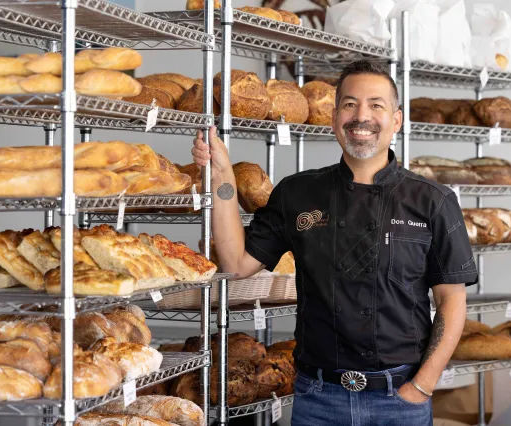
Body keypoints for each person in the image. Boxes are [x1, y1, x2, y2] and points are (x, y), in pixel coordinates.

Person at [191, 60, 478, 426]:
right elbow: (236, 262)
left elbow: (452, 299)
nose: (362, 117)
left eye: (376, 105)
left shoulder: (432, 200)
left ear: (397, 120)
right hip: (318, 400)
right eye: (349, 104)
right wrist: (222, 178)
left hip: (398, 401)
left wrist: (423, 384)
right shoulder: (297, 192)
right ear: (334, 118)